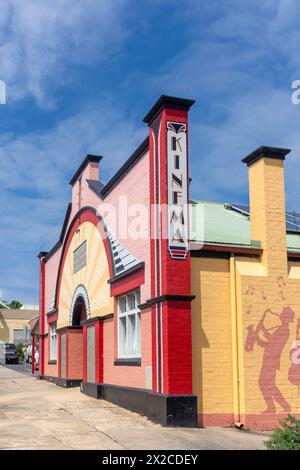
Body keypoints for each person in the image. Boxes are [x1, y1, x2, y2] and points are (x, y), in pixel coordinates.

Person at [257, 306, 294, 413]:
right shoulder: (281, 328)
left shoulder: (284, 330)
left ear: (287, 318)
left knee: (264, 383)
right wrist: (262, 329)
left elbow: (272, 345)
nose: (281, 316)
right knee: (268, 384)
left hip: (271, 360)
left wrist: (258, 340)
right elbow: (272, 339)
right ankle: (277, 407)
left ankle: (276, 407)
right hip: (269, 359)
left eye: (284, 315)